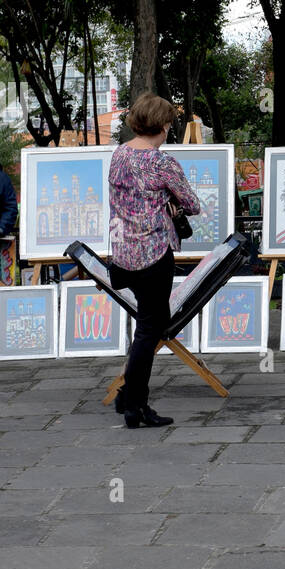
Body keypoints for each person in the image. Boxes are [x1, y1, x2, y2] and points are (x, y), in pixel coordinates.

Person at [107, 93, 200, 428]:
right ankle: (135, 406)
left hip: (122, 255)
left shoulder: (118, 155)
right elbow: (192, 204)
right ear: (162, 125)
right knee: (150, 330)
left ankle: (127, 395)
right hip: (153, 255)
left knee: (146, 327)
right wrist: (171, 205)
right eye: (169, 125)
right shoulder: (162, 163)